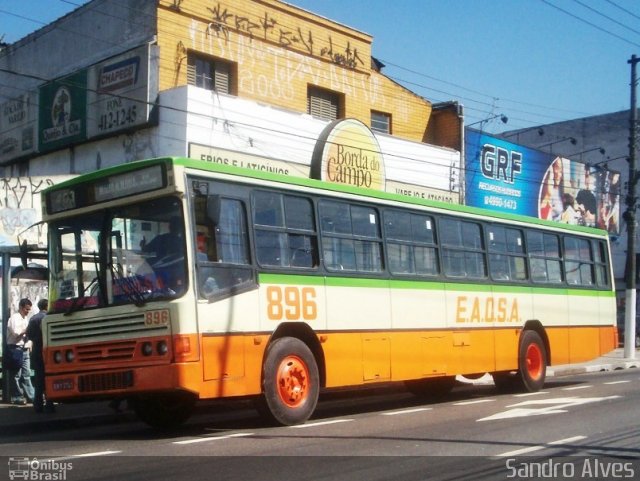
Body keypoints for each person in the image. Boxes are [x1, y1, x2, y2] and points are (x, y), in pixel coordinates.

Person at [26, 299, 55, 413]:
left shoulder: (33, 319)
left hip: (37, 351)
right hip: (50, 351)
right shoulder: (50, 317)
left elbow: (29, 335)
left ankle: (38, 405)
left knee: (39, 380)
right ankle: (50, 404)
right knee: (49, 378)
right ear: (47, 306)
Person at [6, 298, 35, 405]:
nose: (28, 311)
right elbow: (15, 334)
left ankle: (31, 395)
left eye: (29, 310)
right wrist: (26, 331)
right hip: (15, 348)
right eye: (26, 309)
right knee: (16, 375)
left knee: (26, 374)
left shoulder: (25, 319)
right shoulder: (14, 318)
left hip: (25, 348)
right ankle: (17, 396)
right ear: (21, 308)